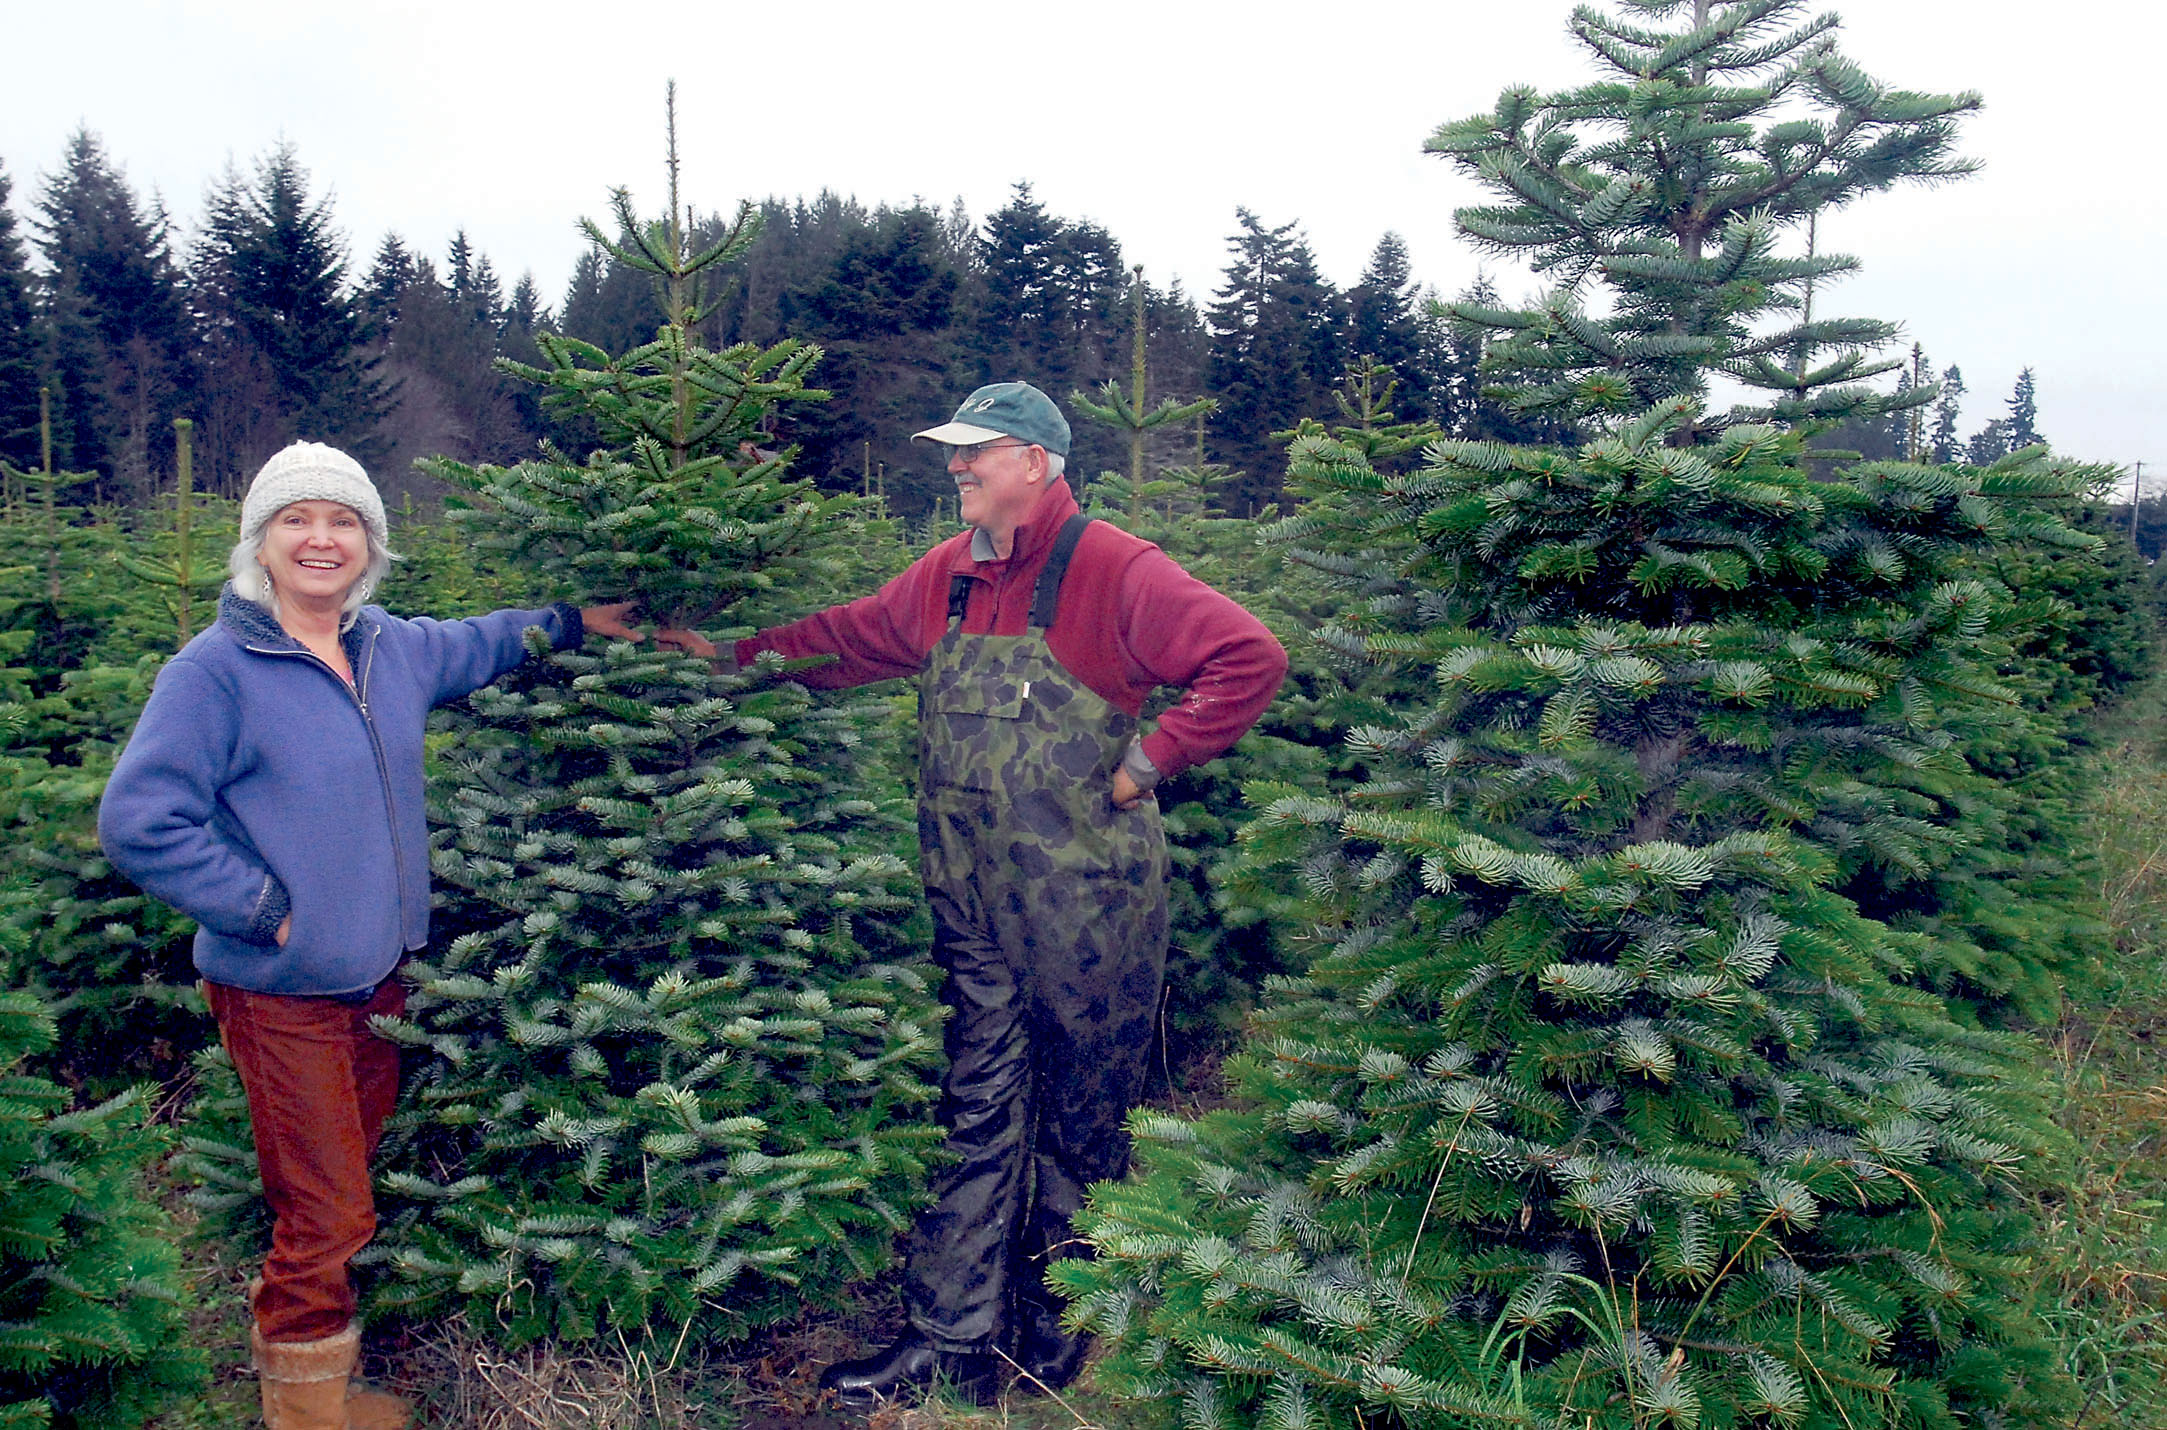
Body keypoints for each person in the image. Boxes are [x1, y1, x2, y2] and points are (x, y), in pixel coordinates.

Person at [659, 382, 1287, 1406]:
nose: (956, 469)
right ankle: (947, 1335)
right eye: (952, 454)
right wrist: (727, 661)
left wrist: (1149, 761)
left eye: (975, 454)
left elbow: (1247, 655)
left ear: (1036, 462)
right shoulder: (953, 575)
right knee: (977, 1101)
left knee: (1082, 1110)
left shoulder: (1112, 565)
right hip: (972, 896)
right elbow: (849, 637)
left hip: (1089, 904)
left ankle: (1060, 1321)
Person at [98, 442, 639, 1430]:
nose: (320, 538)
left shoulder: (390, 646)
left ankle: (323, 1383)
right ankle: (304, 1411)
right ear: (260, 542)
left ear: (370, 544)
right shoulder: (217, 670)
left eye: (342, 520)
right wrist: (267, 909)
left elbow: (479, 639)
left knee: (344, 1178)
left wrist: (568, 624)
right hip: (282, 986)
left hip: (377, 984)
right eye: (296, 519)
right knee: (328, 1208)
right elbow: (139, 816)